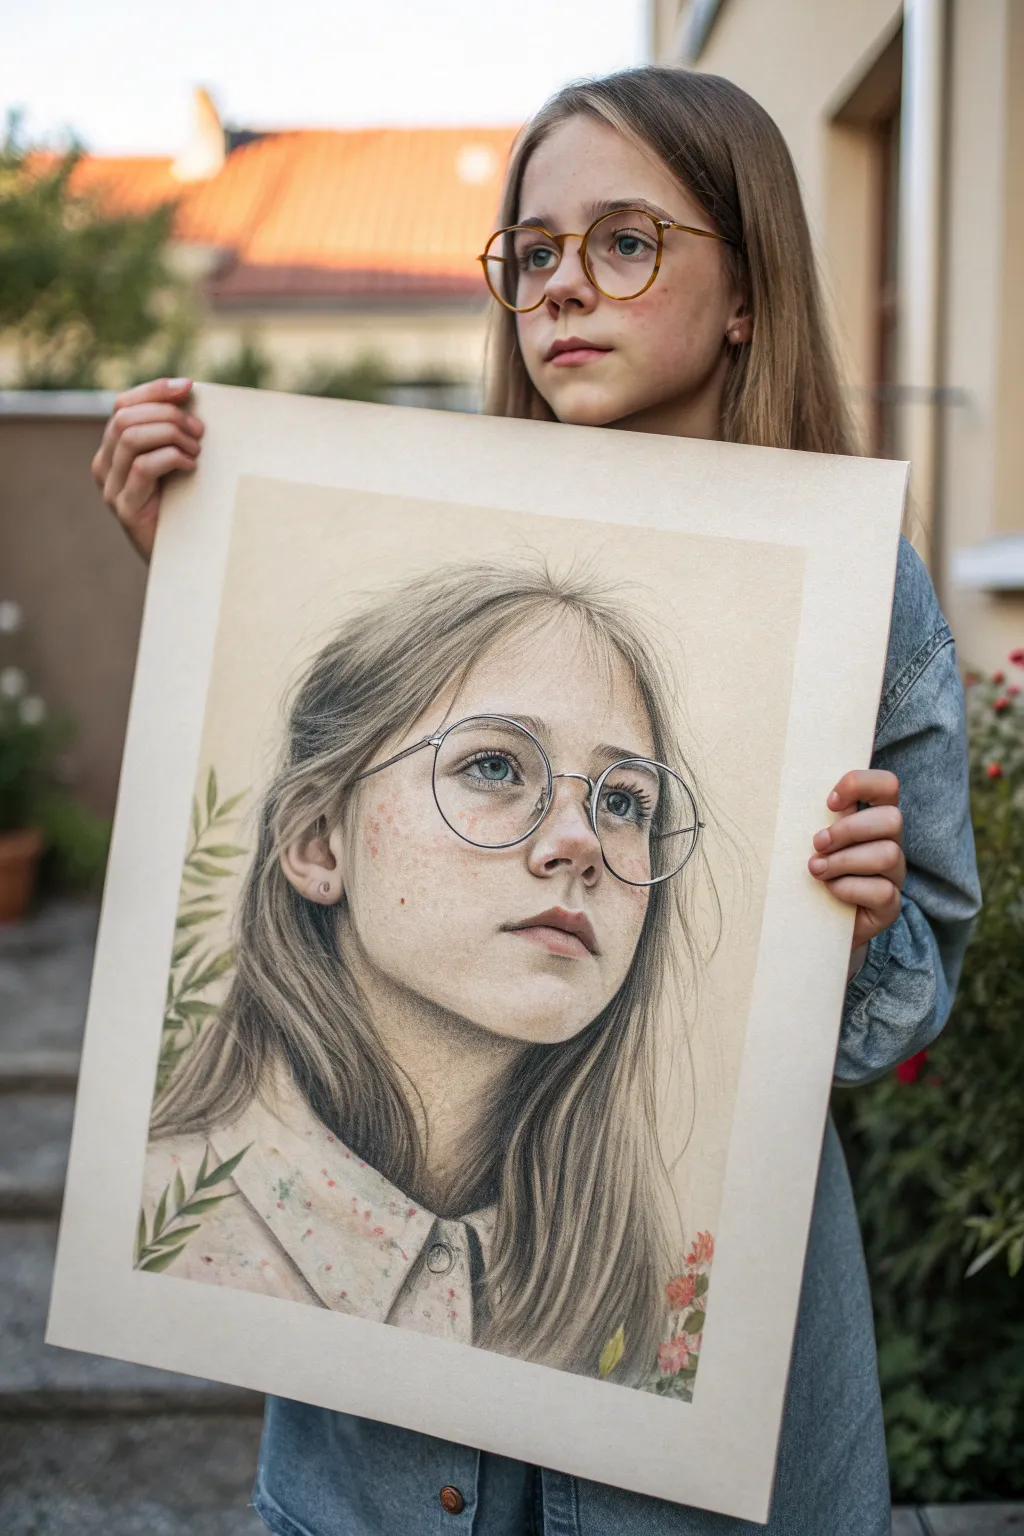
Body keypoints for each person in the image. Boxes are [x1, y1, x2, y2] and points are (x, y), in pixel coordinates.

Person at [92, 65, 980, 1536]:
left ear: (745, 291)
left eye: (625, 243)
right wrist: (210, 581)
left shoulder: (857, 601)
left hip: (717, 1455)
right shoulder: (401, 544)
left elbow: (898, 1007)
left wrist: (863, 920)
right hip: (376, 1469)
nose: (563, 285)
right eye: (534, 251)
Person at [141, 559, 713, 1393]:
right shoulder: (157, 1228)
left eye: (624, 801)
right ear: (319, 844)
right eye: (495, 766)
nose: (582, 841)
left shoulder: (656, 1304)